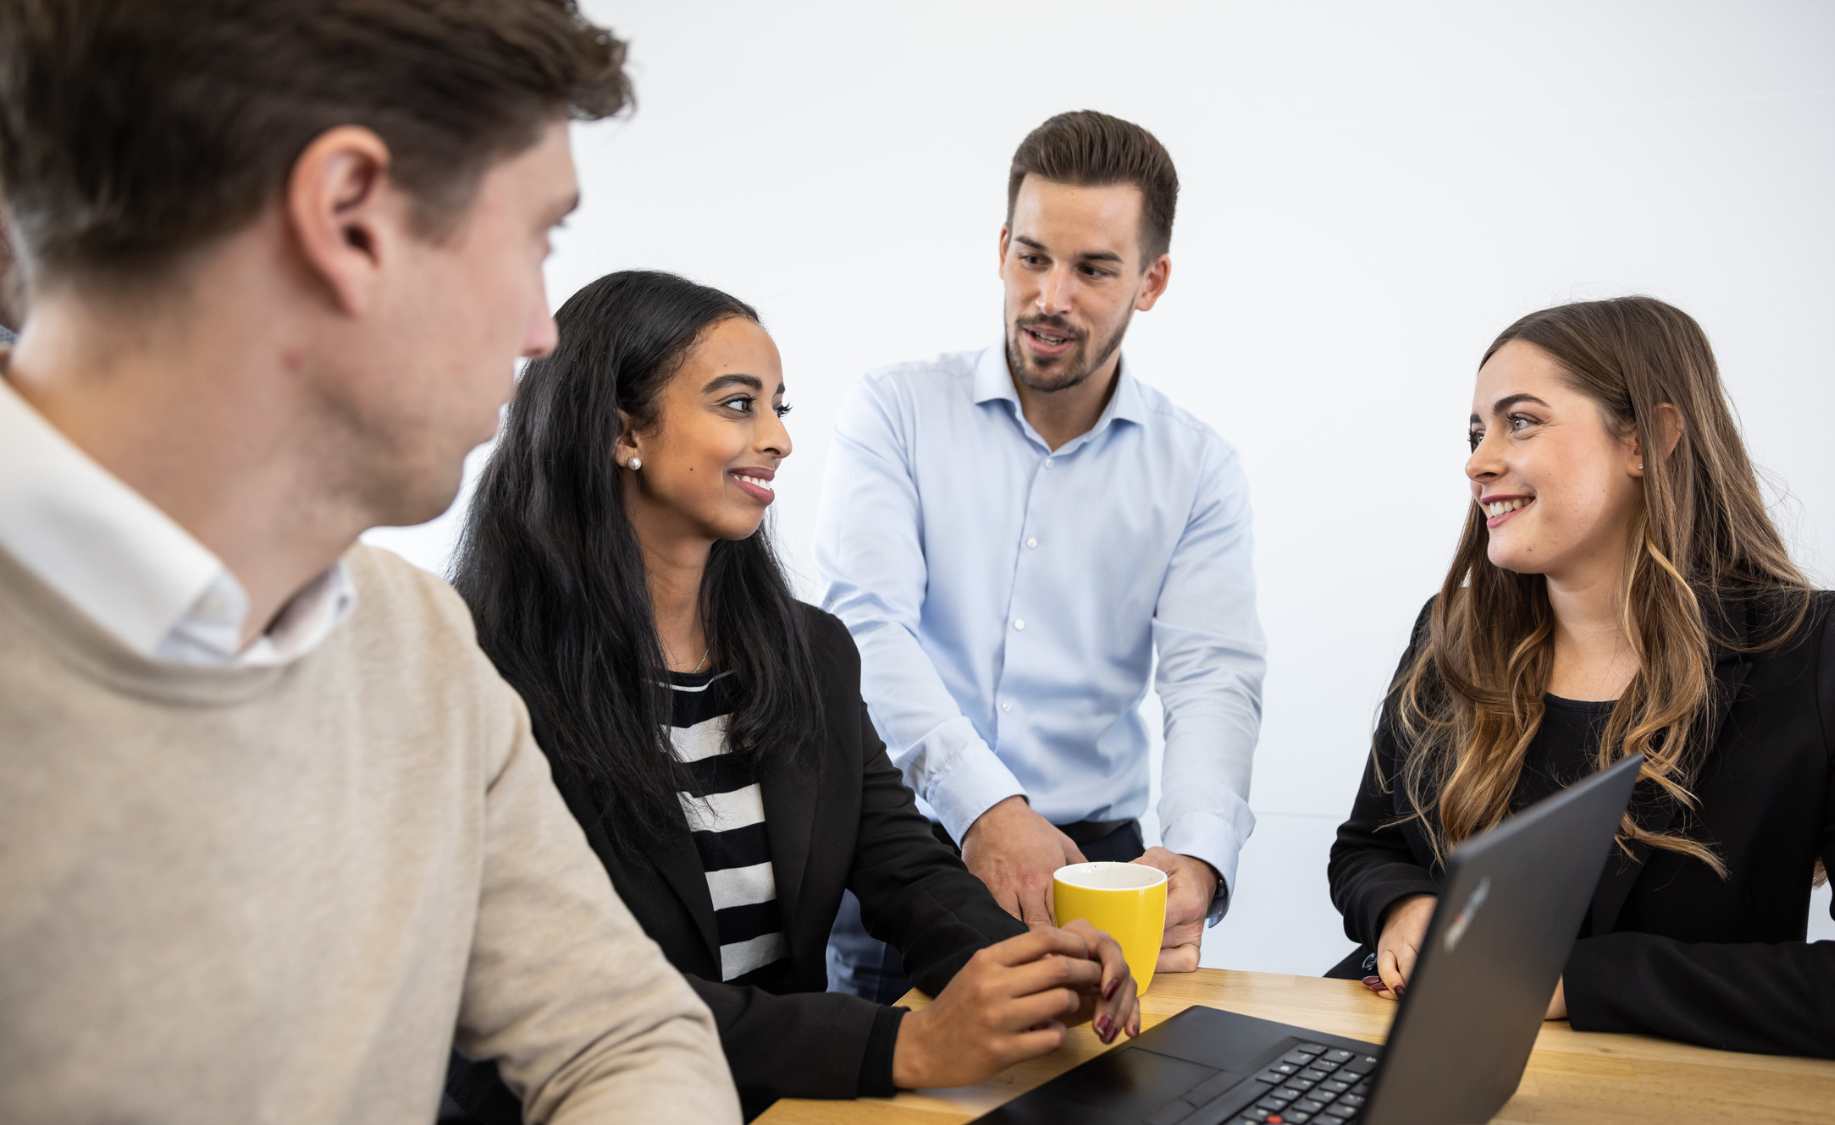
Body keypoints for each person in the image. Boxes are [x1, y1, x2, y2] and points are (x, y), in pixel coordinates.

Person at [0, 3, 741, 1122]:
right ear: (349, 219)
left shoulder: (417, 647)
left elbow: (624, 1036)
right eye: (538, 239)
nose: (542, 330)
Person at [444, 270, 1142, 1122]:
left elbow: (904, 867)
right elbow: (581, 991)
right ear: (623, 428)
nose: (777, 438)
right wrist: (899, 1045)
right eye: (739, 404)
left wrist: (1035, 966)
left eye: (780, 406)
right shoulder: (482, 675)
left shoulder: (808, 651)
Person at [1326, 296, 1835, 1072]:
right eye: (1476, 432)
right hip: (1419, 1065)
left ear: (1647, 440)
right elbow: (1367, 848)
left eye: (1521, 421)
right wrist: (1402, 907)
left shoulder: (1818, 656)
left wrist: (1577, 981)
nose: (1476, 461)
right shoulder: (1452, 631)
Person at [816, 109, 1266, 1002]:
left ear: (1151, 280)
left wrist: (1202, 855)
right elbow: (865, 625)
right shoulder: (893, 412)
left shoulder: (1199, 467)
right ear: (1001, 250)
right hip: (902, 846)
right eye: (1032, 257)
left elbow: (1211, 675)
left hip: (1095, 864)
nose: (1050, 296)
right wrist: (983, 803)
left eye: (1093, 268)